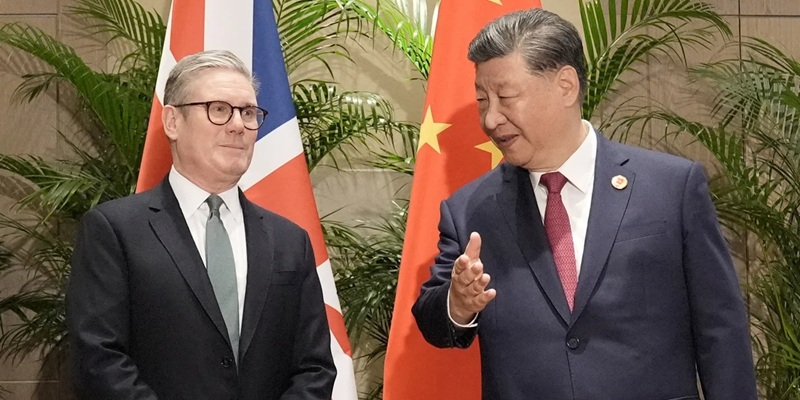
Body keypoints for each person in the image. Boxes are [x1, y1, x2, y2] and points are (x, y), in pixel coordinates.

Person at [412, 8, 757, 400]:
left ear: (566, 86)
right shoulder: (470, 209)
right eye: (481, 100)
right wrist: (458, 304)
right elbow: (432, 320)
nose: (491, 119)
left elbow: (721, 332)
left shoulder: (671, 188)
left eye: (506, 97)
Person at [66, 50, 336, 399]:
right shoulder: (114, 231)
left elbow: (315, 367)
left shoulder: (289, 241)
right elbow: (99, 360)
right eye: (219, 109)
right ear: (172, 122)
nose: (238, 125)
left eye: (248, 113)